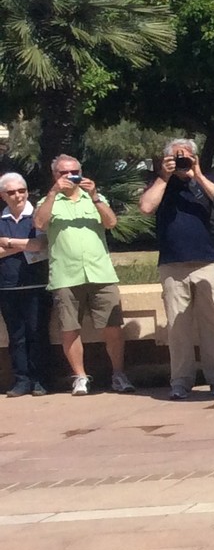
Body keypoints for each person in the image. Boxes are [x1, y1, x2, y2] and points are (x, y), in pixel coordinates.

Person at [138, 138, 214, 402]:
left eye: (186, 156)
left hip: (209, 261)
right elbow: (145, 207)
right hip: (173, 263)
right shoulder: (161, 184)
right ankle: (180, 381)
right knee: (178, 327)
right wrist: (164, 177)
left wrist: (198, 174)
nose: (182, 161)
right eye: (176, 157)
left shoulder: (206, 180)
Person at [34, 156, 131, 395]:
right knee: (69, 328)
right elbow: (39, 224)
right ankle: (80, 377)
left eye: (74, 172)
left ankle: (118, 374)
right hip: (66, 275)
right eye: (63, 173)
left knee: (112, 326)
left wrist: (96, 196)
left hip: (101, 273)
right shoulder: (47, 201)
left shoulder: (94, 198)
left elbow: (111, 222)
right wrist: (53, 193)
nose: (69, 177)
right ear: (54, 175)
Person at [0, 172, 49, 396]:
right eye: (11, 192)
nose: (17, 196)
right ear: (3, 195)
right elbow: (30, 245)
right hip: (7, 287)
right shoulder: (1, 219)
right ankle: (22, 380)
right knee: (16, 337)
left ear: (27, 192)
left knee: (37, 334)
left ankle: (41, 380)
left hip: (37, 285)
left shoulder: (36, 217)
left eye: (21, 191)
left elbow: (39, 245)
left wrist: (8, 243)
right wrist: (25, 245)